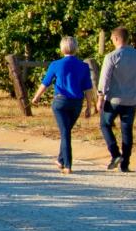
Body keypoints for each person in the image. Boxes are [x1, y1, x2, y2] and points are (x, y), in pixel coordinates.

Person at [31, 36, 94, 173]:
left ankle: (67, 164)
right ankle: (60, 159)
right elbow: (88, 88)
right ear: (76, 48)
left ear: (61, 48)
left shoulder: (56, 64)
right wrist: (89, 106)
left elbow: (46, 83)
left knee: (65, 133)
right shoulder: (83, 66)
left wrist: (36, 97)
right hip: (77, 103)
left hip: (60, 101)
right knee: (66, 131)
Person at [97, 26, 136, 172]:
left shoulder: (112, 56)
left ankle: (115, 153)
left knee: (105, 124)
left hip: (114, 99)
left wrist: (100, 97)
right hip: (131, 99)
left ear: (116, 38)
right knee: (127, 130)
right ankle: (125, 163)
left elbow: (105, 78)